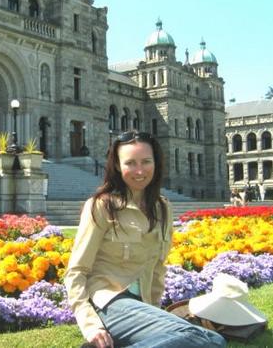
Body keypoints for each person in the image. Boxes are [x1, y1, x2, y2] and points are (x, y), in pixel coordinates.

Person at [64, 130, 226, 348]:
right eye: (130, 163)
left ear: (156, 163)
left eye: (146, 161)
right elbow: (76, 271)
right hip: (108, 303)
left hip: (141, 307)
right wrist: (90, 324)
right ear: (117, 166)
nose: (139, 171)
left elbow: (157, 269)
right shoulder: (102, 206)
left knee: (199, 339)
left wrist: (155, 314)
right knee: (209, 339)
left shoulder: (163, 208)